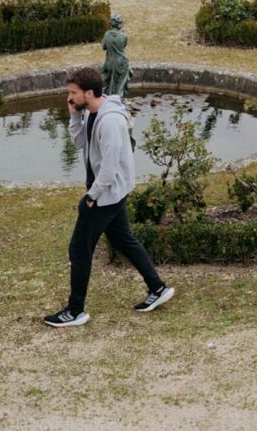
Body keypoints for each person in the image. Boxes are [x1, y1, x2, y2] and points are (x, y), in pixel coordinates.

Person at [43, 66, 174, 328]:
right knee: (124, 240)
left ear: (89, 93)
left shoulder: (110, 121)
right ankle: (158, 288)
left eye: (73, 93)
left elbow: (110, 167)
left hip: (105, 194)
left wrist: (91, 196)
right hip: (109, 192)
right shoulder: (91, 113)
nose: (69, 97)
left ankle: (75, 310)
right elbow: (81, 144)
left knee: (79, 249)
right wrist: (73, 116)